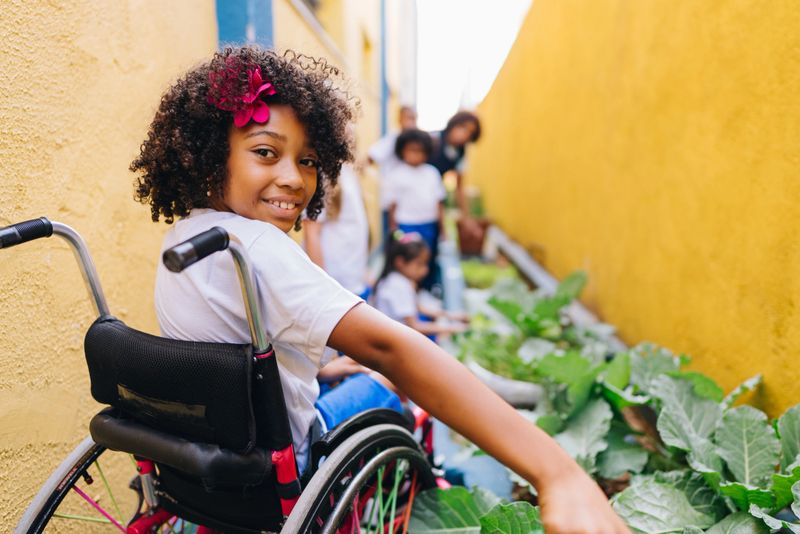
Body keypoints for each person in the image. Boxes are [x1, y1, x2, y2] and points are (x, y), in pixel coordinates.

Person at [129, 45, 629, 533]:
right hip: (278, 470)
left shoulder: (188, 236)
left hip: (202, 463)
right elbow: (392, 348)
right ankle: (425, 490)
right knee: (388, 386)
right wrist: (558, 473)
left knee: (352, 368)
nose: (294, 179)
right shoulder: (257, 246)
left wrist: (328, 361)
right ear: (212, 157)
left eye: (307, 161)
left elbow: (237, 341)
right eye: (266, 152)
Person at [373, 232, 466, 338]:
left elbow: (417, 307)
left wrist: (452, 316)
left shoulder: (397, 280)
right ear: (400, 262)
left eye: (425, 264)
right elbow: (414, 326)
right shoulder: (398, 286)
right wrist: (452, 328)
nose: (425, 270)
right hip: (396, 338)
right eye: (419, 264)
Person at [385, 128, 443, 291]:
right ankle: (407, 294)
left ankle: (423, 291)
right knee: (408, 263)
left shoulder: (432, 173)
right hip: (406, 225)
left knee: (426, 261)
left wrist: (443, 229)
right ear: (402, 150)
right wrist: (393, 228)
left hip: (429, 225)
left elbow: (439, 203)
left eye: (420, 151)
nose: (416, 155)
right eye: (412, 150)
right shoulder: (396, 174)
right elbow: (392, 205)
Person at [303, 161, 370, 300]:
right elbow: (311, 233)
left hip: (352, 274)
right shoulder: (322, 174)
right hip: (334, 280)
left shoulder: (347, 169)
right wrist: (323, 284)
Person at [428, 110, 485, 243]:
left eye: (470, 133)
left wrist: (466, 218)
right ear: (454, 124)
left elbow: (460, 187)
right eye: (463, 128)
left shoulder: (460, 153)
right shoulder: (434, 139)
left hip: (435, 196)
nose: (464, 135)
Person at [367, 105, 417, 240]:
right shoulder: (393, 139)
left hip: (409, 201)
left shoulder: (415, 140)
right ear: (400, 120)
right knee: (394, 238)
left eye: (413, 119)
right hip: (392, 200)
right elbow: (371, 157)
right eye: (408, 118)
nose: (411, 123)